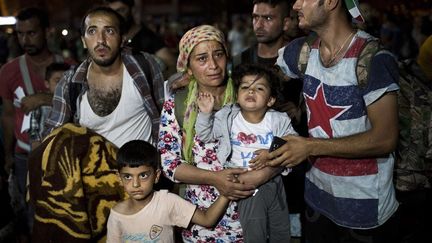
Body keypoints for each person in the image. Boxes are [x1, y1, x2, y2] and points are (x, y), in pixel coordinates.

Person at [270, 0, 400, 242]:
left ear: (330, 2)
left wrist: (309, 146)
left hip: (364, 211)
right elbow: (266, 79)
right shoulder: (302, 51)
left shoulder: (373, 59)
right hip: (317, 202)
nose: (296, 5)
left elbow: (385, 139)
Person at [158, 25, 284, 242]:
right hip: (203, 223)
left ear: (227, 55)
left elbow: (281, 145)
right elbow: (170, 166)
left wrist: (263, 174)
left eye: (218, 55)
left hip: (253, 217)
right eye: (202, 59)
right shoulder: (177, 105)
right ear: (188, 66)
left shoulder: (247, 93)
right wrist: (215, 179)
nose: (213, 66)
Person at [195, 63, 294, 242]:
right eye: (245, 87)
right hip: (246, 185)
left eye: (259, 88)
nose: (250, 91)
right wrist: (205, 114)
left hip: (275, 182)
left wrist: (270, 154)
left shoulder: (278, 119)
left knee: (281, 229)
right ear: (237, 95)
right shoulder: (227, 117)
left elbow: (292, 144)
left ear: (270, 100)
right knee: (255, 231)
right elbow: (206, 136)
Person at [43, 6, 164, 147]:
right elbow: (52, 134)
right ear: (83, 41)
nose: (101, 40)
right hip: (93, 167)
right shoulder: (70, 82)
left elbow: (165, 117)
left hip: (138, 167)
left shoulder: (144, 66)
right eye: (92, 31)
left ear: (122, 39)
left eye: (109, 31)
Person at [0, 7, 67, 240]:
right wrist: (8, 157)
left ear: (47, 31)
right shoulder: (8, 71)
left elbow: (81, 107)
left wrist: (44, 98)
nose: (25, 39)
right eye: (20, 34)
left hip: (63, 155)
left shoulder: (69, 67)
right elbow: (8, 115)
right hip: (24, 156)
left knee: (63, 213)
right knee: (30, 214)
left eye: (31, 33)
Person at [107, 140, 230, 242]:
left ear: (156, 176)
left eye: (143, 175)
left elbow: (207, 220)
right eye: (128, 176)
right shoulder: (117, 214)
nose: (135, 184)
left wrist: (227, 193)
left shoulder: (167, 201)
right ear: (119, 178)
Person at [105, 0, 176, 77]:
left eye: (121, 10)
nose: (116, 15)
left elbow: (172, 65)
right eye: (112, 12)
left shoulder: (148, 37)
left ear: (132, 9)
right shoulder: (108, 37)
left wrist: (152, 80)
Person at [29, 62, 70, 149]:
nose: (63, 85)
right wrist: (35, 141)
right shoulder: (39, 104)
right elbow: (33, 126)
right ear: (47, 84)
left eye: (66, 81)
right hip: (42, 146)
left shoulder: (72, 103)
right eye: (58, 81)